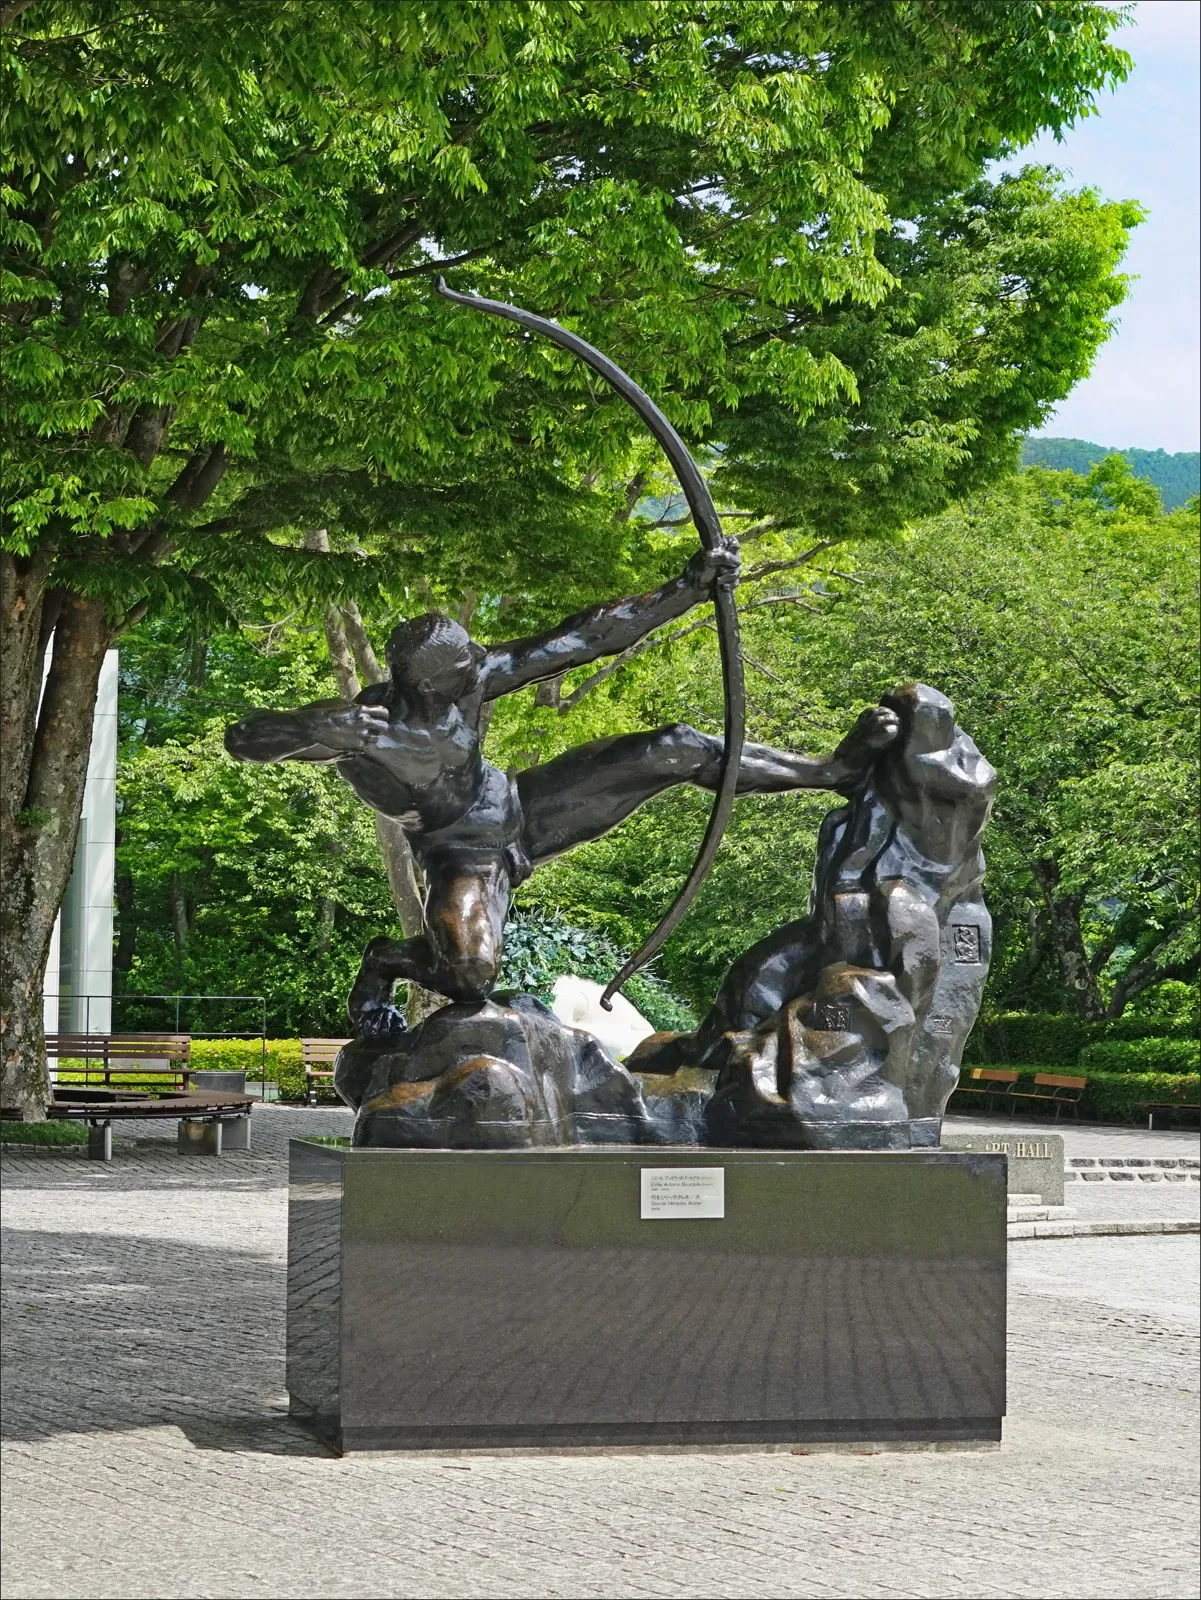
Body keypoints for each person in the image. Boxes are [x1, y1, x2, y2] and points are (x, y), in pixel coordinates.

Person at [225, 539, 899, 1029]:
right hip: (463, 854)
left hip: (525, 808)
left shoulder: (472, 679)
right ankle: (389, 960)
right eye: (465, 662)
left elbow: (583, 638)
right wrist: (301, 728)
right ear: (429, 682)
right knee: (468, 976)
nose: (480, 663)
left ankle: (828, 772)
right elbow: (244, 738)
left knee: (674, 747)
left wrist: (688, 587)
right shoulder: (369, 733)